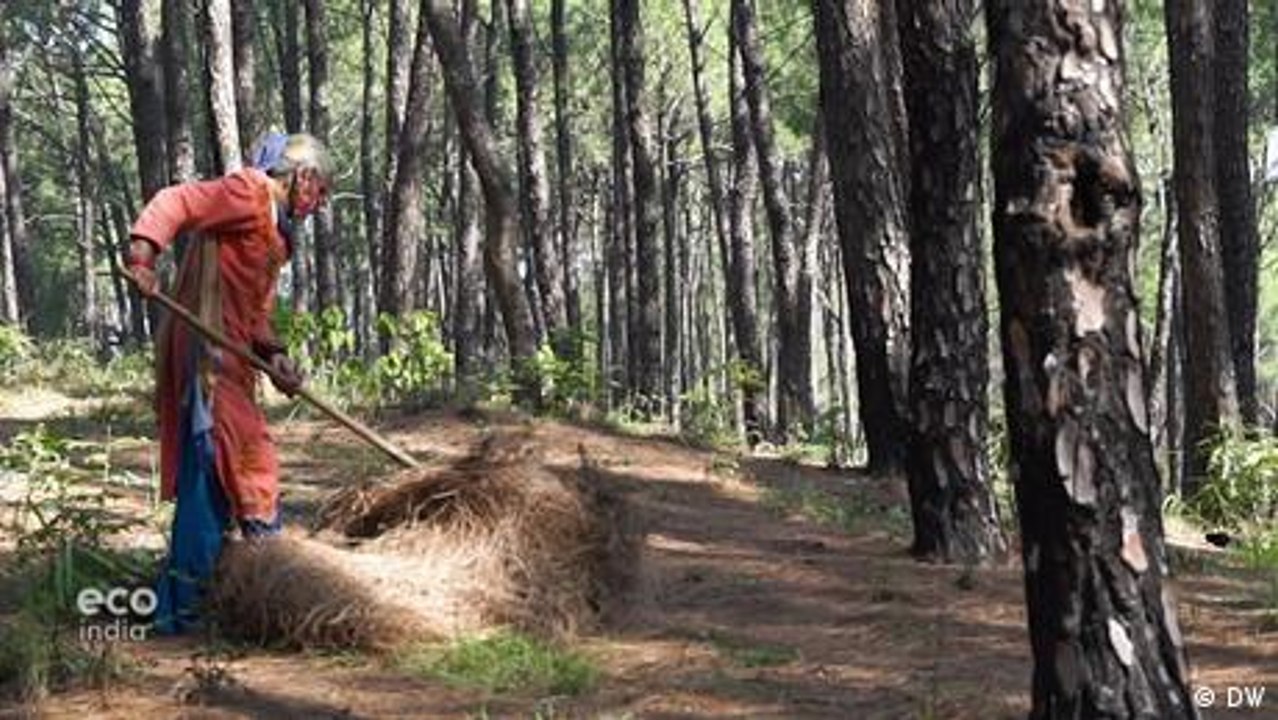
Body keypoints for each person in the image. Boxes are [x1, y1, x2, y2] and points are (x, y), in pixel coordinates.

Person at [127, 132, 333, 633]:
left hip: (232, 355)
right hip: (206, 353)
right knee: (237, 454)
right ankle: (254, 580)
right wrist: (142, 257)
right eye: (318, 186)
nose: (320, 199)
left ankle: (189, 603)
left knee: (216, 470)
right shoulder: (248, 193)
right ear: (300, 176)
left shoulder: (275, 234)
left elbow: (254, 312)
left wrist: (275, 357)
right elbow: (174, 200)